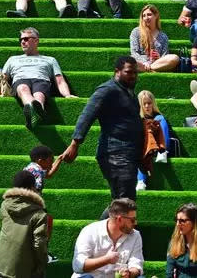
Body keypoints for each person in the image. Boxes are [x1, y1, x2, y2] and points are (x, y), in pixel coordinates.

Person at [60, 57, 143, 202]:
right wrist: (75, 143)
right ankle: (101, 226)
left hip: (128, 152)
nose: (133, 76)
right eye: (129, 72)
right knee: (125, 201)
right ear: (116, 72)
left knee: (123, 201)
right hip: (115, 153)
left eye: (136, 72)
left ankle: (103, 225)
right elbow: (87, 115)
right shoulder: (107, 90)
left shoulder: (129, 92)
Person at [0, 27, 76, 129]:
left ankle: (35, 112)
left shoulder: (50, 60)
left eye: (26, 39)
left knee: (39, 94)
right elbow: (2, 79)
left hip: (41, 80)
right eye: (21, 39)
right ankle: (35, 110)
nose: (23, 42)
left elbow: (60, 80)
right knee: (23, 88)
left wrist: (67, 95)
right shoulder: (12, 59)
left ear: (36, 41)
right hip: (20, 80)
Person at [0, 170, 49, 278]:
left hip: (1, 264)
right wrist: (41, 265)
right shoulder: (39, 214)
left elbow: (2, 226)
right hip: (26, 269)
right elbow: (39, 245)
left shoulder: (4, 205)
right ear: (33, 187)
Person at [70, 198, 144, 278]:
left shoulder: (135, 235)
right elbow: (78, 266)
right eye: (132, 220)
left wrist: (129, 273)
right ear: (119, 219)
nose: (135, 223)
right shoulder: (90, 231)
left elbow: (136, 265)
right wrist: (106, 259)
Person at [135, 90, 171, 191]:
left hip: (160, 146)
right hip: (146, 148)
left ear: (153, 103)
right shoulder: (138, 119)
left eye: (149, 103)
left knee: (160, 119)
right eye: (144, 104)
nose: (147, 106)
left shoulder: (158, 117)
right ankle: (141, 181)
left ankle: (163, 151)